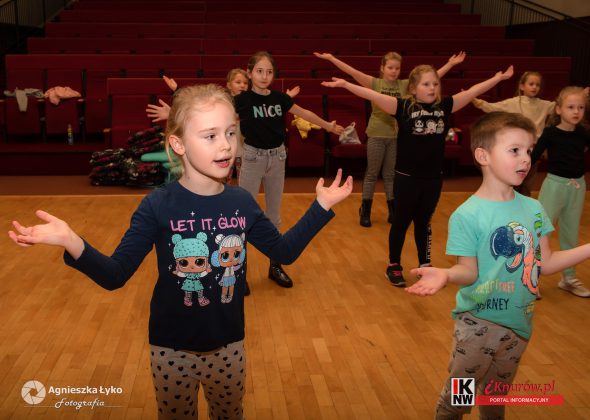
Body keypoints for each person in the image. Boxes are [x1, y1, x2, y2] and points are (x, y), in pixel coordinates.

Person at [9, 84, 353, 419]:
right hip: (170, 349)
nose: (226, 145)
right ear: (178, 144)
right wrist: (71, 240)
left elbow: (284, 251)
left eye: (230, 133)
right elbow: (115, 275)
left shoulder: (242, 203)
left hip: (229, 345)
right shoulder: (158, 205)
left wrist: (321, 206)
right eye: (210, 136)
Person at [405, 111, 590, 419]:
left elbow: (545, 263)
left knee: (494, 398)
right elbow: (469, 271)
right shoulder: (468, 215)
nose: (526, 158)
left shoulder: (534, 208)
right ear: (483, 156)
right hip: (478, 327)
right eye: (514, 150)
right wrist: (446, 274)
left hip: (520, 326)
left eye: (529, 150)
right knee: (459, 399)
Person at [322, 64, 514, 287]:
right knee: (401, 222)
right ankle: (394, 265)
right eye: (426, 84)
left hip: (432, 179)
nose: (432, 88)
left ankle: (425, 264)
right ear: (413, 88)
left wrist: (497, 78)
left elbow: (473, 92)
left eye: (435, 84)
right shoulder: (402, 106)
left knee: (424, 223)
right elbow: (372, 94)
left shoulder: (445, 106)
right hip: (406, 178)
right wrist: (346, 84)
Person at [314, 51, 466, 227]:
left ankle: (392, 210)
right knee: (372, 174)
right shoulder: (375, 83)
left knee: (389, 175)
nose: (394, 71)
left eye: (397, 68)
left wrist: (450, 64)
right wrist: (332, 58)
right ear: (382, 68)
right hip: (376, 134)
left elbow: (430, 78)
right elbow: (353, 72)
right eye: (390, 67)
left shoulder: (404, 85)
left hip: (395, 136)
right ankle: (366, 209)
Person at [235, 51, 344, 289]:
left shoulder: (279, 98)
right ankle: (238, 271)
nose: (264, 76)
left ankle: (275, 265)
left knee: (274, 215)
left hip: (277, 158)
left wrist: (327, 125)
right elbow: (219, 118)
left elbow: (305, 113)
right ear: (250, 73)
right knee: (242, 215)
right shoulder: (242, 100)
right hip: (252, 158)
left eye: (269, 72)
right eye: (259, 71)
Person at [531, 86, 590, 297]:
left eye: (581, 107)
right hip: (554, 187)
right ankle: (531, 277)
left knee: (570, 232)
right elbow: (533, 157)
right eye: (571, 107)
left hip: (577, 187)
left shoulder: (583, 133)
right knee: (542, 232)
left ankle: (569, 277)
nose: (576, 112)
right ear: (558, 109)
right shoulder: (550, 133)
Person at [471, 71, 555, 196]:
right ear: (522, 86)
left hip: (534, 149)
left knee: (528, 181)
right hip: (516, 148)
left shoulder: (544, 104)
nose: (534, 87)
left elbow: (562, 106)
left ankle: (523, 201)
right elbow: (492, 107)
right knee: (513, 180)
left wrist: (582, 95)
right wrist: (476, 101)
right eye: (531, 84)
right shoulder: (513, 103)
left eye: (537, 85)